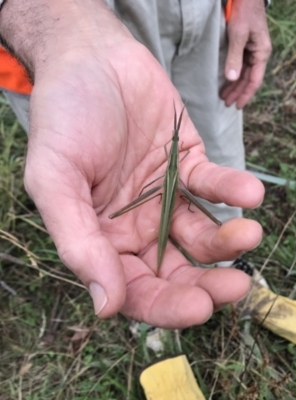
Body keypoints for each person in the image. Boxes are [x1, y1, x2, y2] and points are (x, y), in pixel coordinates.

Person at [0, 0, 271, 329]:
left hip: (210, 13)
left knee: (216, 173)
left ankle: (228, 259)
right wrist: (64, 32)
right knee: (117, 209)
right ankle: (144, 310)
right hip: (47, 41)